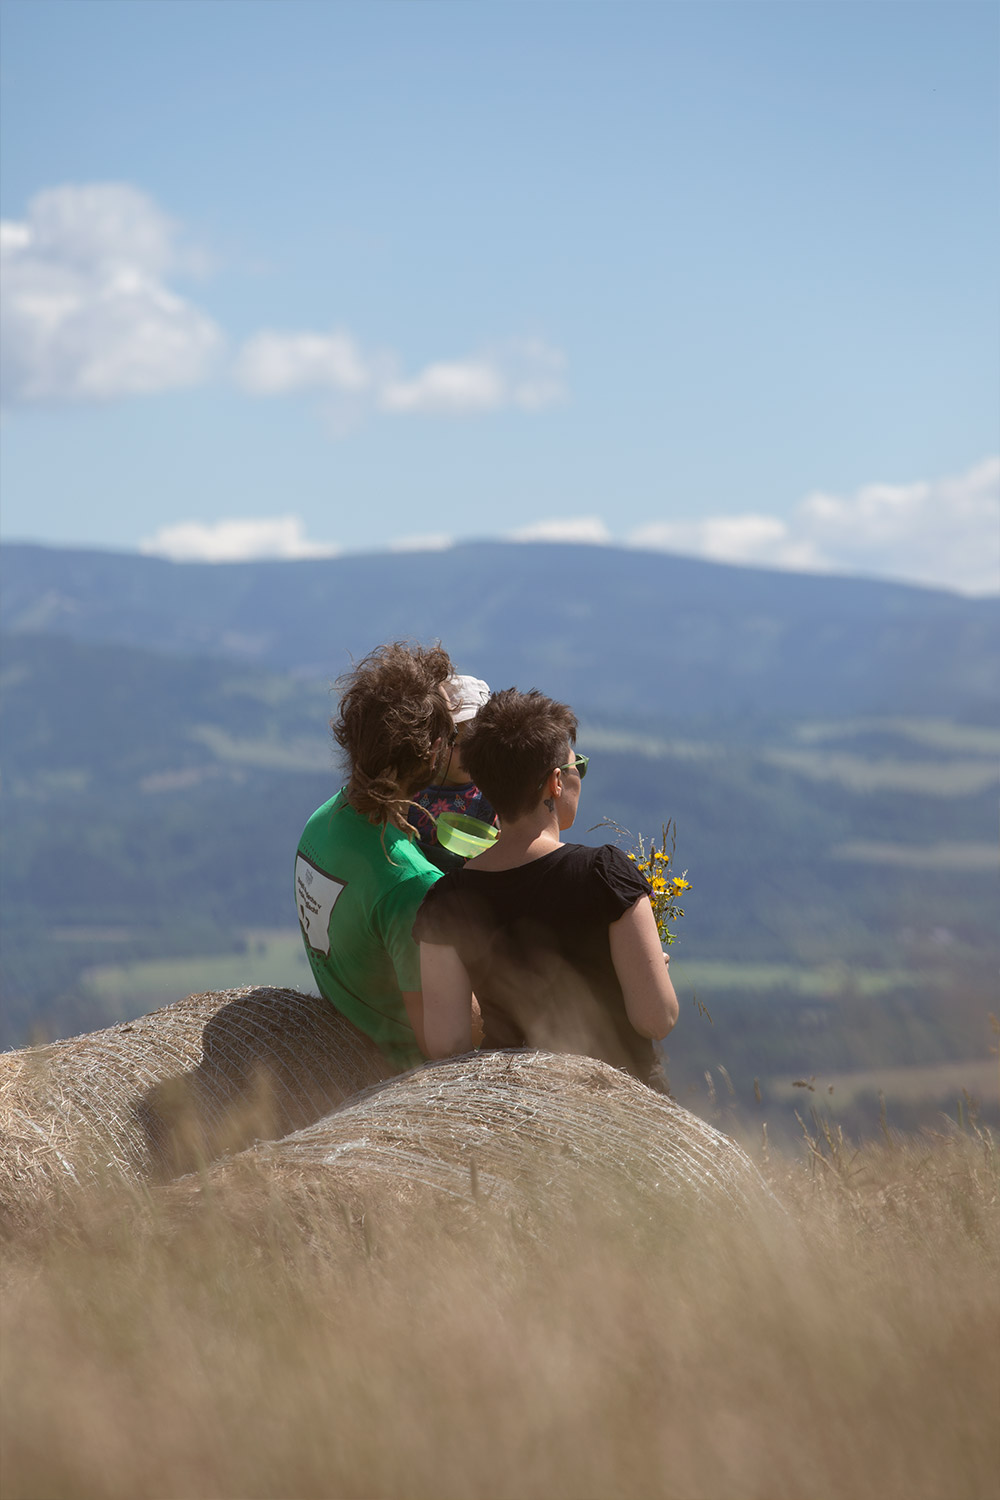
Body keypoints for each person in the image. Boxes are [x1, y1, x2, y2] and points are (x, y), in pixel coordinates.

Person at [413, 688, 679, 1087]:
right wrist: (651, 969)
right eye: (576, 767)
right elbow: (656, 1019)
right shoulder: (605, 874)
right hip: (618, 1102)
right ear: (555, 782)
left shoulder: (444, 900)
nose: (577, 778)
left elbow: (446, 1043)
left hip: (510, 1103)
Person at [294, 642, 455, 1071]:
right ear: (434, 751)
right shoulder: (411, 882)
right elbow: (442, 1042)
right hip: (396, 1070)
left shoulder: (322, 820)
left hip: (348, 1019)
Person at [408, 673, 499, 872]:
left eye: (478, 744)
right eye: (458, 744)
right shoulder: (409, 790)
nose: (470, 754)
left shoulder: (490, 799)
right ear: (431, 741)